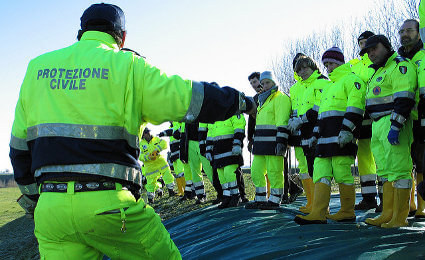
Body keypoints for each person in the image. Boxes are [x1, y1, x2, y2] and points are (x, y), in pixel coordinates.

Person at [9, 3, 255, 259]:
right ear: (122, 37)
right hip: (111, 205)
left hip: (52, 212)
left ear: (80, 32)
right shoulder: (128, 66)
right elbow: (188, 97)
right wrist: (242, 102)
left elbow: (18, 150)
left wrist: (38, 201)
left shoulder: (37, 69)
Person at [294, 47, 366, 225]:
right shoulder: (329, 86)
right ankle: (318, 213)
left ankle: (347, 211)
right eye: (326, 64)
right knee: (320, 173)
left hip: (341, 138)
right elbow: (321, 116)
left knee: (342, 173)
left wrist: (347, 130)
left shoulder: (352, 80)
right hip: (323, 141)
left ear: (340, 62)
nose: (329, 67)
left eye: (332, 63)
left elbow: (356, 107)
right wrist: (315, 135)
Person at [361, 35, 417, 228]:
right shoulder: (377, 72)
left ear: (385, 46)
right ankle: (388, 213)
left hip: (393, 123)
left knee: (400, 171)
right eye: (367, 52)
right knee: (385, 172)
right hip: (377, 125)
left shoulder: (400, 66)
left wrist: (396, 126)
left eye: (374, 49)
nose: (370, 54)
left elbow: (405, 98)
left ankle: (400, 217)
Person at [245, 71, 292, 210]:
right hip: (260, 144)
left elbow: (282, 121)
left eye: (268, 83)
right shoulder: (261, 100)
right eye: (263, 83)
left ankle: (275, 200)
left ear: (274, 83)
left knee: (274, 172)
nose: (265, 86)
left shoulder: (281, 98)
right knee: (256, 171)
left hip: (273, 143)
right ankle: (260, 198)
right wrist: (253, 140)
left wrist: (281, 142)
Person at [289, 55, 330, 213]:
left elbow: (318, 107)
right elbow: (296, 108)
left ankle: (321, 208)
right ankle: (313, 204)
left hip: (319, 129)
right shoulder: (299, 87)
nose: (302, 72)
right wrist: (294, 122)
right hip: (304, 131)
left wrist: (301, 119)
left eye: (305, 68)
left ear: (313, 66)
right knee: (310, 168)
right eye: (299, 69)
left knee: (320, 169)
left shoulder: (322, 82)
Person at [349, 31, 381, 211]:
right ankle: (369, 198)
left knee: (381, 157)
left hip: (378, 114)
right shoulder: (354, 65)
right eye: (360, 42)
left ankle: (386, 199)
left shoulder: (379, 61)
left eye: (366, 42)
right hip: (361, 117)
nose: (363, 45)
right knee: (364, 159)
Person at [398, 19, 425, 218]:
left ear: (418, 32)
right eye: (401, 31)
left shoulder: (422, 56)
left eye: (409, 30)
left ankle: (422, 207)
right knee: (407, 163)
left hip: (420, 118)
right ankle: (410, 204)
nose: (404, 34)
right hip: (405, 120)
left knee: (422, 162)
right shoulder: (400, 61)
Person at [206, 115, 246, 208]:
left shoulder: (234, 112)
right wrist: (208, 150)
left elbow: (239, 127)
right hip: (218, 151)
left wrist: (237, 143)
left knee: (229, 173)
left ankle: (236, 196)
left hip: (231, 149)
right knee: (221, 175)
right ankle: (227, 197)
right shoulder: (213, 117)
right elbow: (210, 134)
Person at [140, 127, 175, 203]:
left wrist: (157, 150)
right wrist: (148, 157)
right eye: (146, 133)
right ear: (143, 134)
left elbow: (164, 144)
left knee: (168, 176)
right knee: (150, 183)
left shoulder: (156, 139)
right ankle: (151, 198)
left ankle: (171, 191)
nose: (148, 134)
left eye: (148, 132)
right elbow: (140, 156)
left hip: (160, 163)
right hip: (150, 167)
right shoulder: (141, 144)